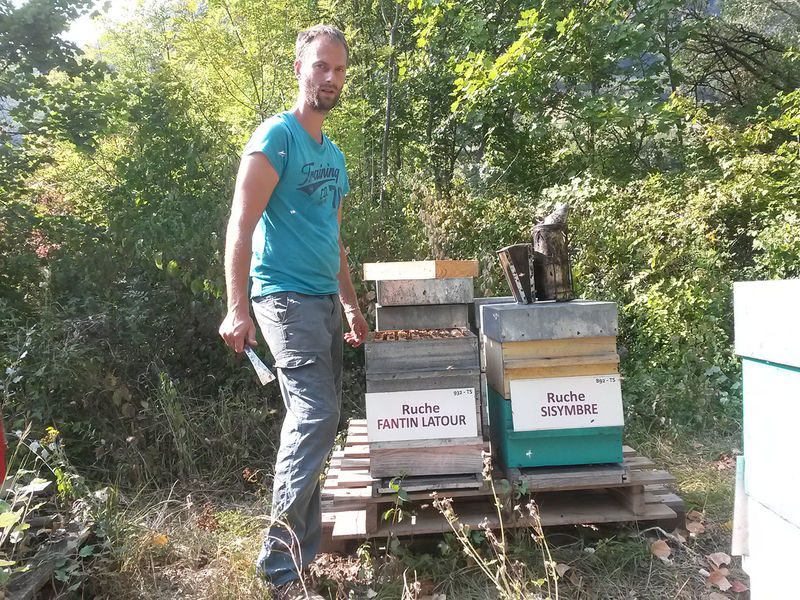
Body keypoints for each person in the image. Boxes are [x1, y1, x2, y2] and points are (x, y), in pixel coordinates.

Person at [218, 24, 368, 599]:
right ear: (300, 69)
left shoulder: (334, 156)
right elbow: (240, 225)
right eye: (321, 67)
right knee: (315, 417)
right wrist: (237, 308)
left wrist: (352, 305)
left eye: (339, 70)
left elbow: (335, 241)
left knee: (316, 423)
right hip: (283, 298)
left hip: (325, 302)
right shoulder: (277, 136)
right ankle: (280, 570)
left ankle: (300, 553)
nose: (330, 78)